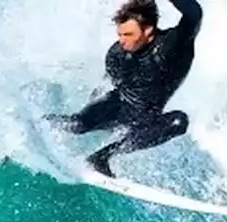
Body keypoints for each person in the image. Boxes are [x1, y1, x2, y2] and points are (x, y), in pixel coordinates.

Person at [45, 0, 203, 177]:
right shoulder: (117, 54)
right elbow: (108, 84)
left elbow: (193, 14)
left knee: (179, 122)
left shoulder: (172, 45)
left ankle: (101, 157)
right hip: (117, 106)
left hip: (146, 119)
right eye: (119, 34)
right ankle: (40, 121)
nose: (122, 40)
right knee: (77, 125)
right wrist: (93, 109)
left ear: (148, 30)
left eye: (128, 34)